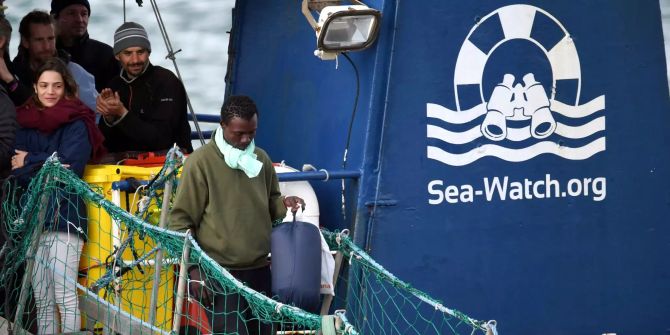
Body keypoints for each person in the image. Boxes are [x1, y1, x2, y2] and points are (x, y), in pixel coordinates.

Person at [169, 95, 304, 335]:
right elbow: (180, 222)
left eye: (251, 133)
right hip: (218, 273)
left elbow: (271, 202)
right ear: (222, 125)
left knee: (264, 332)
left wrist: (285, 203)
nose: (245, 140)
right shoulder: (200, 163)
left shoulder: (260, 159)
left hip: (260, 270)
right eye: (238, 133)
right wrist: (193, 271)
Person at [11, 57, 104, 334]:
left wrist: (30, 160)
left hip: (66, 215)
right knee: (42, 298)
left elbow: (70, 168)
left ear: (67, 88)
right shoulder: (24, 122)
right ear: (35, 88)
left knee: (65, 295)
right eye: (43, 85)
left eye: (56, 85)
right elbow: (16, 168)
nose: (50, 91)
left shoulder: (79, 122)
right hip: (33, 218)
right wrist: (46, 163)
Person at [96, 21, 193, 154]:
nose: (135, 60)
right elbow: (105, 143)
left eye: (140, 52)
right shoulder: (114, 85)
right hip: (123, 167)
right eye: (128, 53)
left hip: (169, 165)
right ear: (117, 56)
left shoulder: (167, 81)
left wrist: (122, 113)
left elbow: (162, 139)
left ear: (149, 52)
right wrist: (108, 118)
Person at [2, 10, 97, 111]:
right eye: (39, 40)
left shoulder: (75, 73)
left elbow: (97, 114)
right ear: (25, 42)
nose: (47, 46)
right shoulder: (13, 75)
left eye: (51, 39)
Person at [51, 0, 119, 91]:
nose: (79, 20)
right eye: (71, 13)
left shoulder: (107, 55)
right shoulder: (45, 54)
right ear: (54, 17)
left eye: (84, 14)